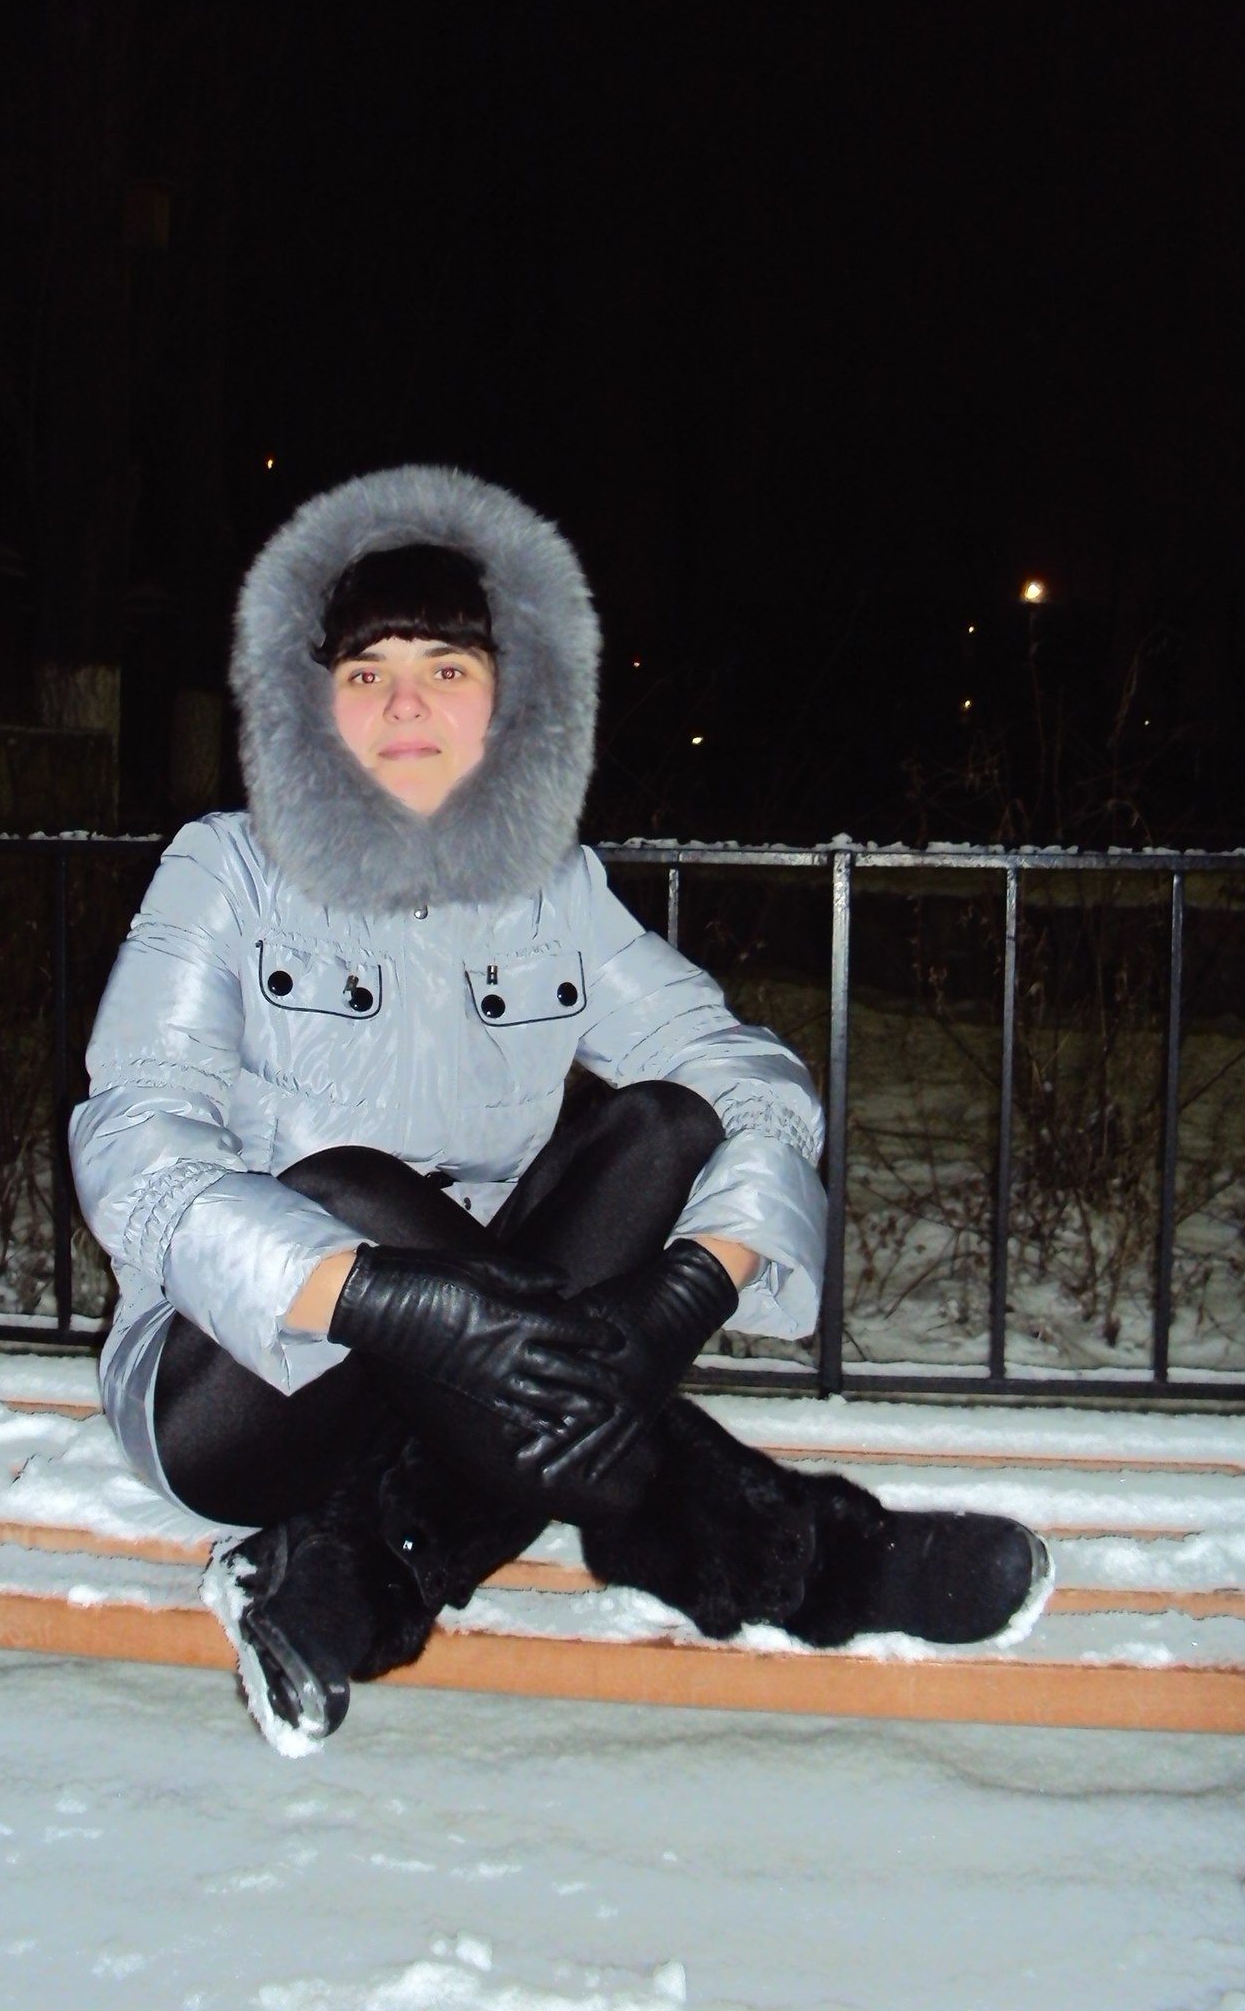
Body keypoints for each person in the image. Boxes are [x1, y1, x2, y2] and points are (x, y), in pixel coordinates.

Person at [71, 465, 1049, 1754]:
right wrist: (391, 1300)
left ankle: (344, 1579)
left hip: (494, 1374)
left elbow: (745, 1078)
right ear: (315, 707)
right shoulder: (228, 870)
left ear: (508, 702)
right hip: (245, 1385)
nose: (405, 700)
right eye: (366, 670)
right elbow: (133, 1137)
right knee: (355, 1188)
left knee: (668, 1128)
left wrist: (685, 1293)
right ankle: (812, 1558)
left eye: (447, 667)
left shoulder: (554, 893)